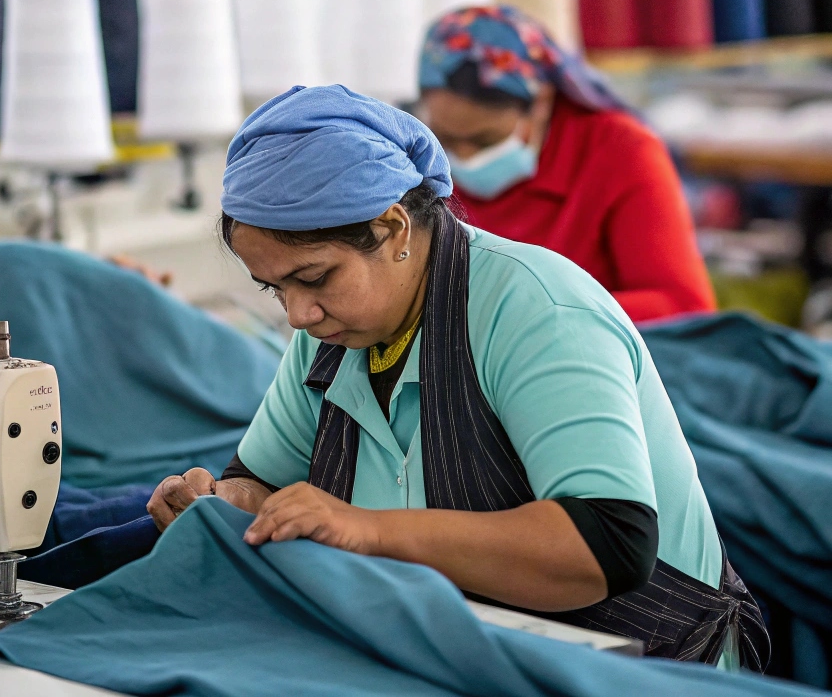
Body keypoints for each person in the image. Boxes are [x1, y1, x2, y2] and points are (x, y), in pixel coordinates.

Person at [148, 85, 767, 670]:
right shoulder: (333, 334)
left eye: (313, 279)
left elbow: (608, 543)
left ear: (392, 228)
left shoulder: (537, 309)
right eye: (274, 287)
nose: (296, 315)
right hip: (466, 650)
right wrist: (226, 505)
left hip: (649, 667)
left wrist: (366, 529)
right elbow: (262, 481)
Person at [417, 6, 715, 323]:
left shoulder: (619, 151)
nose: (465, 157)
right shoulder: (416, 159)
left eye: (484, 141)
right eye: (446, 141)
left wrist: (530, 316)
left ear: (542, 102)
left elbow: (683, 305)